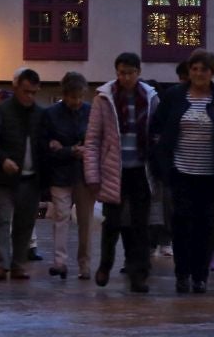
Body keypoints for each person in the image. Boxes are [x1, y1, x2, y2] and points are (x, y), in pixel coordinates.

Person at [152, 48, 214, 295]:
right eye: (194, 69)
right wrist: (164, 165)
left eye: (203, 69)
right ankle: (182, 274)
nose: (198, 73)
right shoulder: (174, 96)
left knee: (206, 228)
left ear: (212, 72)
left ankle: (200, 276)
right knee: (181, 226)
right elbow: (157, 128)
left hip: (210, 175)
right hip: (181, 172)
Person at [86, 51, 159, 291]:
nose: (125, 77)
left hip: (140, 168)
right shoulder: (104, 98)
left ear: (138, 73)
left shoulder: (149, 98)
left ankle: (138, 272)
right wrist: (93, 175)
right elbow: (93, 139)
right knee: (112, 222)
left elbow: (155, 133)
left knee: (140, 225)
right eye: (121, 73)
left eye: (130, 73)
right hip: (113, 169)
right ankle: (105, 265)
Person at [0, 67, 45, 280]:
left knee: (25, 223)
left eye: (33, 93)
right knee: (1, 220)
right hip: (2, 178)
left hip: (30, 177)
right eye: (26, 91)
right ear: (16, 87)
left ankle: (18, 264)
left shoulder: (40, 114)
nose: (30, 97)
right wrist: (2, 160)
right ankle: (1, 264)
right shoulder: (0, 112)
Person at [39, 71, 94, 278]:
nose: (77, 101)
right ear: (65, 94)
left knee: (78, 220)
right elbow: (46, 146)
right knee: (68, 218)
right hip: (69, 172)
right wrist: (74, 151)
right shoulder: (56, 114)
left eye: (80, 97)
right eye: (73, 97)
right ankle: (66, 262)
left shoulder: (52, 114)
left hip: (74, 172)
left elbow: (51, 146)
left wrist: (63, 149)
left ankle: (78, 263)